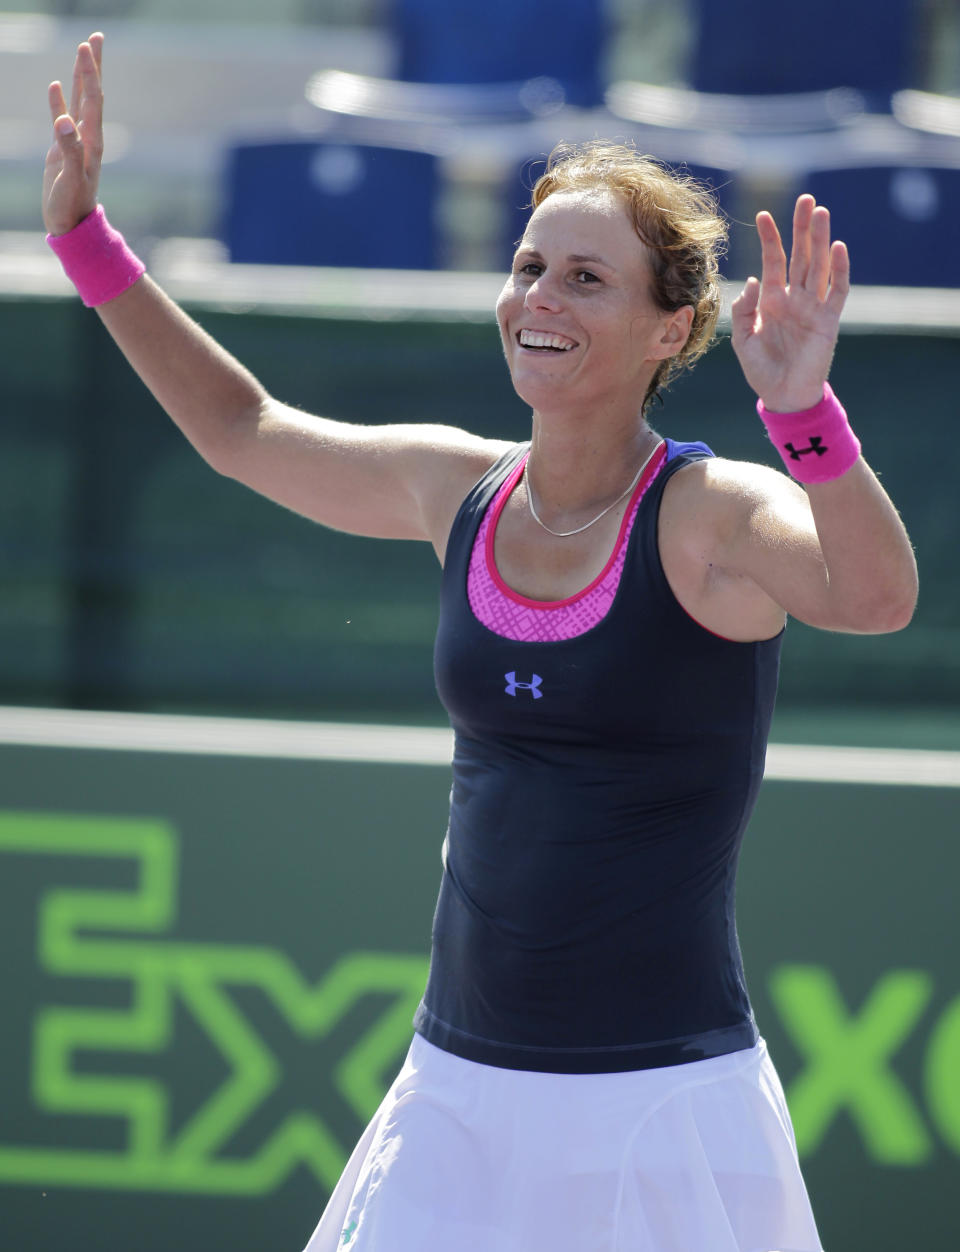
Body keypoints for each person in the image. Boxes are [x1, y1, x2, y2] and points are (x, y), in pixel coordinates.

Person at [43, 34, 917, 1252]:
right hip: (451, 1098)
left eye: (585, 280)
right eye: (528, 266)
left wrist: (804, 418)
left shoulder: (711, 517)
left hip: (658, 1107)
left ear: (672, 331)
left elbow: (874, 597)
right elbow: (243, 428)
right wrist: (88, 244)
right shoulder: (451, 488)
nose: (538, 299)